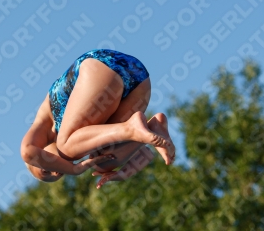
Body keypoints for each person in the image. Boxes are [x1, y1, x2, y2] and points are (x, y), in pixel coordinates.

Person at [20, 49, 175, 186]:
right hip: (138, 81)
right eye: (58, 174)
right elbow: (146, 154)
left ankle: (130, 127)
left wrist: (75, 169)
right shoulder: (81, 138)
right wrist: (122, 173)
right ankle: (152, 126)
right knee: (102, 161)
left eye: (47, 170)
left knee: (66, 148)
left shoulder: (44, 122)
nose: (56, 172)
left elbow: (27, 152)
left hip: (102, 65)